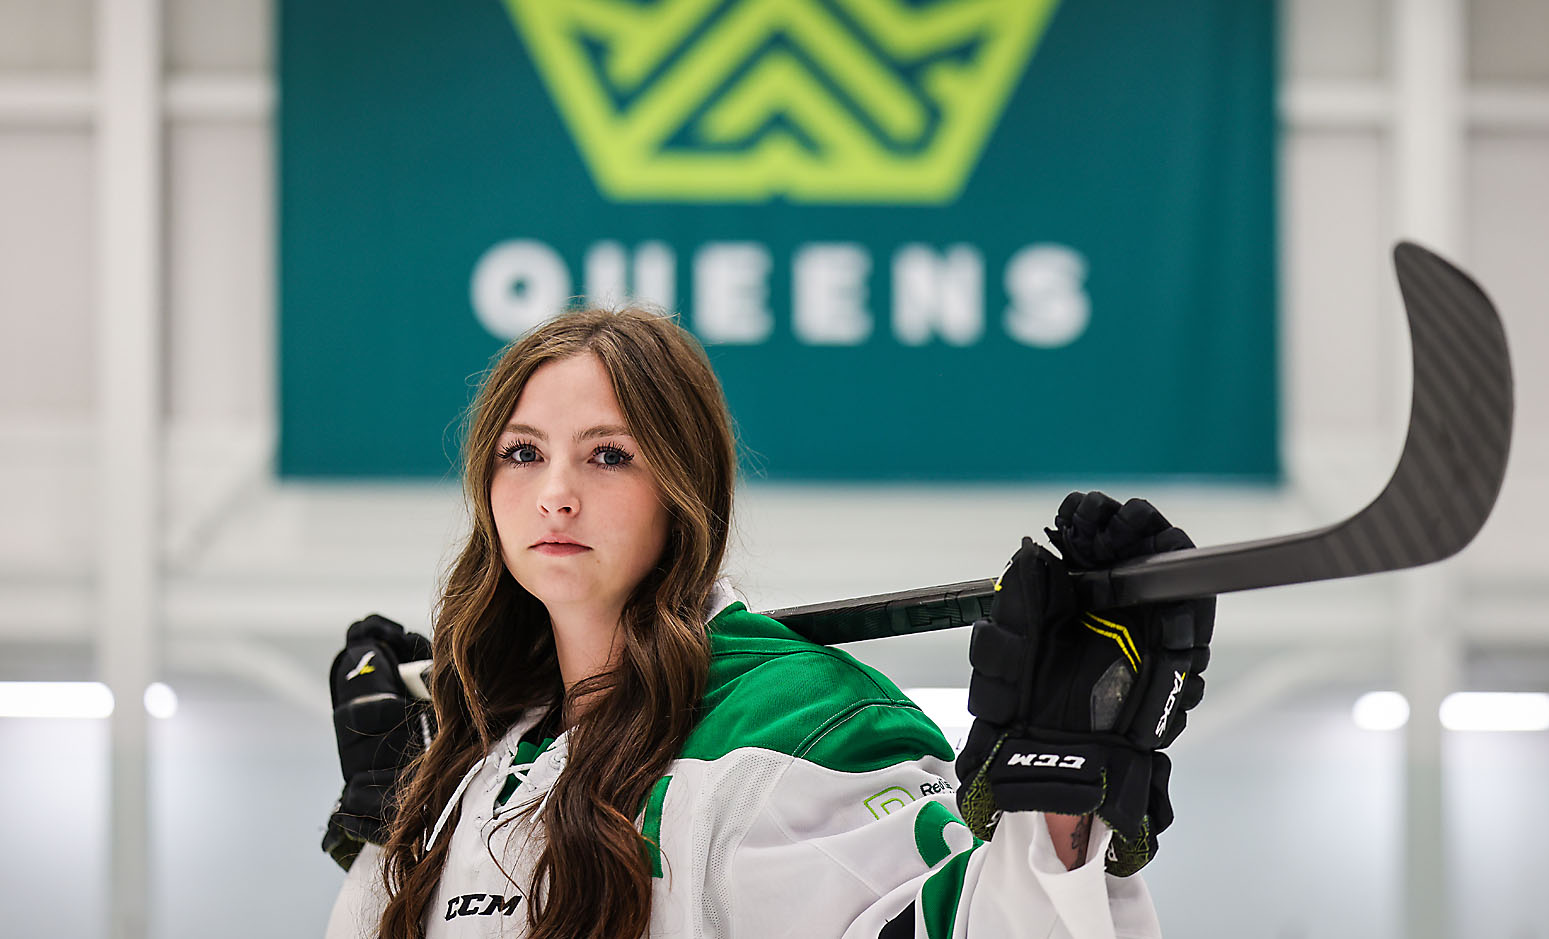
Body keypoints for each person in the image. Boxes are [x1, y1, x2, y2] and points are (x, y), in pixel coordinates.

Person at [322, 307, 1212, 939]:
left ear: (683, 488)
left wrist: (1053, 807)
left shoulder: (792, 721)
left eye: (608, 455)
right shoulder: (476, 755)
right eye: (523, 452)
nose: (555, 493)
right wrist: (386, 825)